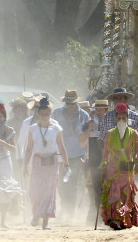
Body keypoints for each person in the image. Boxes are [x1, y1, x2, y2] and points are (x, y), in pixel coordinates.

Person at [23, 98, 69, 230]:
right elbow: (29, 148)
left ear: (50, 114)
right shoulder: (32, 129)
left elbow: (61, 147)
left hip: (52, 162)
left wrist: (66, 164)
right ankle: (36, 214)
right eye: (42, 114)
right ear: (38, 114)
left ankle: (45, 221)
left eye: (47, 114)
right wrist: (25, 165)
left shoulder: (56, 128)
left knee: (49, 191)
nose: (44, 116)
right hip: (37, 162)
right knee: (35, 190)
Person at [100, 103, 138, 230]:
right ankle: (115, 219)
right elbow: (106, 152)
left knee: (126, 194)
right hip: (113, 168)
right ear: (116, 119)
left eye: (124, 118)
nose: (121, 121)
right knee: (114, 193)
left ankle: (124, 220)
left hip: (127, 168)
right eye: (119, 118)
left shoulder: (134, 133)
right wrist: (104, 164)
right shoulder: (110, 134)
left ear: (128, 119)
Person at [51, 89, 90, 218]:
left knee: (73, 184)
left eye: (72, 103)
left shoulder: (84, 116)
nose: (70, 106)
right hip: (59, 155)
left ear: (76, 103)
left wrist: (86, 155)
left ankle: (70, 212)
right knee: (59, 183)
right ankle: (64, 204)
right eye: (68, 103)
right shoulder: (56, 114)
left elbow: (88, 135)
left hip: (77, 155)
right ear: (65, 103)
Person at [99, 87, 138, 176]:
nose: (118, 100)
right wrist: (105, 160)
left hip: (129, 161)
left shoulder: (135, 117)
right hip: (113, 161)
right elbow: (101, 140)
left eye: (121, 98)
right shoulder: (106, 117)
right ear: (113, 101)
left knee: (128, 186)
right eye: (116, 98)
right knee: (112, 187)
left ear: (126, 100)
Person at [79, 99, 109, 224]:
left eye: (101, 109)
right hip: (94, 161)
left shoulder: (111, 123)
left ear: (107, 111)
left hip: (108, 161)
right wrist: (88, 131)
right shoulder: (88, 123)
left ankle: (108, 214)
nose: (99, 112)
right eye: (97, 109)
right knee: (95, 188)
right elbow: (81, 141)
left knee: (108, 188)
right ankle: (95, 215)